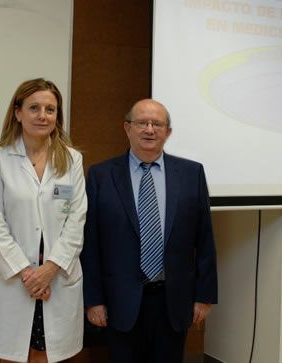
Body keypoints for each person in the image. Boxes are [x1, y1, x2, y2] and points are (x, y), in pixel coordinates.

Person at [81, 99, 218, 362]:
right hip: (119, 302)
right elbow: (92, 243)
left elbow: (204, 239)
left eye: (157, 124)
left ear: (168, 132)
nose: (149, 129)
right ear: (127, 128)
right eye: (141, 123)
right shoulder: (101, 175)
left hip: (173, 300)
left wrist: (204, 295)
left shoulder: (192, 174)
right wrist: (93, 299)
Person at [0, 78, 87, 363]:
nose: (42, 115)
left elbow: (77, 220)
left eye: (50, 109)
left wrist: (50, 269)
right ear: (18, 113)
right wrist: (28, 274)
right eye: (34, 108)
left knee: (47, 353)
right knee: (12, 355)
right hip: (16, 278)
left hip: (57, 277)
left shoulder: (72, 160)